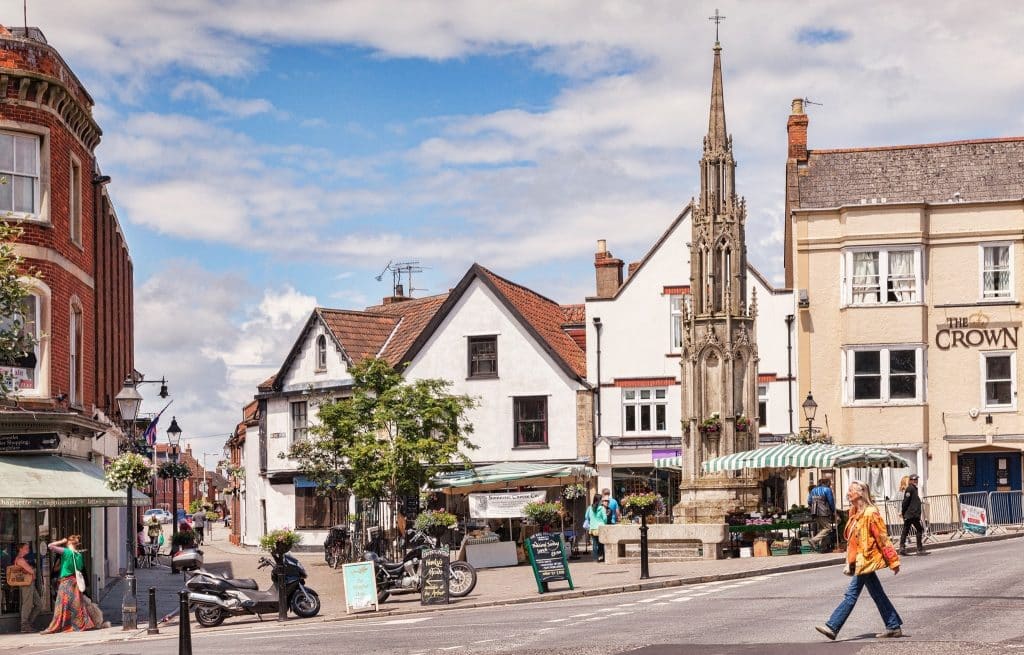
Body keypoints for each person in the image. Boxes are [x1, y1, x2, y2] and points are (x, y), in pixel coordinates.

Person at [816, 480, 903, 641]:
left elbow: (882, 538)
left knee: (851, 594)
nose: (848, 493)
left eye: (851, 490)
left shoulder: (871, 513)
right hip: (858, 559)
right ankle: (893, 626)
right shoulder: (854, 513)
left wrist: (893, 561)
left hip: (866, 559)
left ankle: (833, 626)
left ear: (861, 492)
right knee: (878, 594)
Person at [42, 535, 97, 633]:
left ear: (69, 544)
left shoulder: (66, 552)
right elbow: (80, 568)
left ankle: (60, 625)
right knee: (77, 605)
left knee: (61, 605)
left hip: (66, 582)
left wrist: (61, 541)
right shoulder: (79, 555)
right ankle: (80, 624)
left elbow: (50, 546)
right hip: (75, 582)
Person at [14, 543, 43, 633]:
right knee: (27, 604)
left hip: (30, 583)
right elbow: (30, 570)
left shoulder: (22, 559)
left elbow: (30, 571)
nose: (28, 549)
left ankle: (28, 624)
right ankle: (24, 625)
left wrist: (31, 571)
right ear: (20, 549)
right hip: (26, 584)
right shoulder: (20, 560)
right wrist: (32, 570)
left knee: (39, 605)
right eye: (26, 548)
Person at [899, 473, 926, 556]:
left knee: (911, 530)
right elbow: (905, 502)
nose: (915, 481)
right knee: (910, 530)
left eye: (916, 479)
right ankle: (916, 548)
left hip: (913, 514)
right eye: (913, 480)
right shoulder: (909, 489)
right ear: (910, 481)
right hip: (910, 514)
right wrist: (903, 512)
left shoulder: (914, 489)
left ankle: (904, 547)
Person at [807, 478, 836, 548]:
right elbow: (831, 502)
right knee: (828, 528)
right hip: (824, 512)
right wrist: (833, 511)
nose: (830, 485)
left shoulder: (813, 490)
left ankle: (822, 546)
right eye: (829, 483)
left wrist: (815, 505)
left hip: (815, 512)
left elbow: (809, 501)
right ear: (827, 483)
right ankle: (814, 540)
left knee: (821, 529)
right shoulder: (827, 490)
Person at [584, 494, 608, 562]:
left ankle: (595, 558)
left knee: (594, 544)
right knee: (602, 544)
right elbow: (605, 518)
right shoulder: (602, 508)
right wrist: (604, 523)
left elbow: (586, 517)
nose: (602, 501)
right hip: (601, 528)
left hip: (592, 528)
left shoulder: (589, 508)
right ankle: (603, 557)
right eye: (601, 500)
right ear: (599, 500)